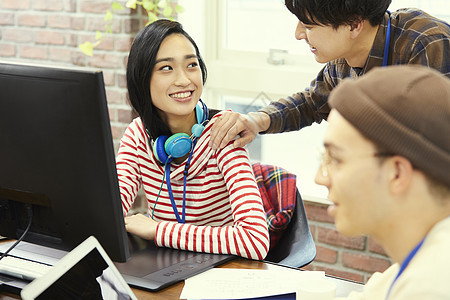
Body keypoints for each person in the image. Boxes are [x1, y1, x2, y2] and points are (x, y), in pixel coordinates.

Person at [116, 19, 270, 260]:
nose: (184, 80)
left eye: (191, 65)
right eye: (166, 68)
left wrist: (157, 229)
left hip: (220, 270)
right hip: (163, 268)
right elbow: (110, 213)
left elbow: (255, 240)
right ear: (142, 78)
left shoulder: (223, 131)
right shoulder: (138, 134)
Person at [209, 0, 450, 150]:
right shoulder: (343, 61)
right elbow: (311, 102)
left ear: (354, 25)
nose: (298, 34)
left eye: (308, 26)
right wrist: (256, 121)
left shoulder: (425, 43)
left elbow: (433, 145)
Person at [314, 65, 450, 299]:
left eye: (335, 159)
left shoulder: (430, 287)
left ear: (396, 173)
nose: (320, 177)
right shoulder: (416, 264)